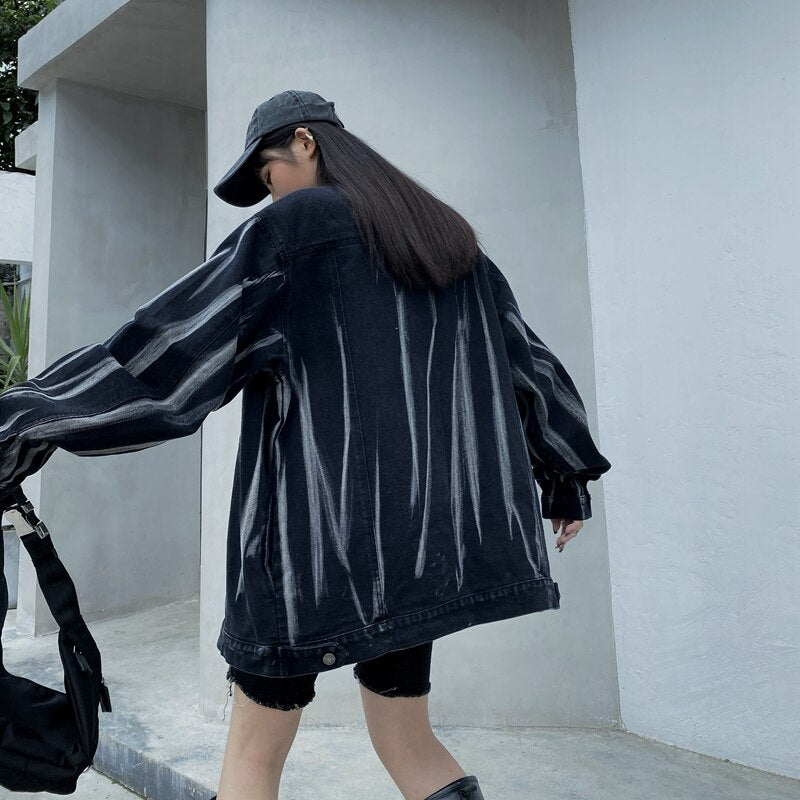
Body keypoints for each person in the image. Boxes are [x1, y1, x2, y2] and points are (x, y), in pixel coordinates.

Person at [0, 90, 611, 800]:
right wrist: (564, 475)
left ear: (304, 142)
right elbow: (527, 367)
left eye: (267, 175)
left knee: (255, 755)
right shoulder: (447, 240)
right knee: (406, 736)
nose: (270, 194)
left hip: (310, 553)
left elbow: (162, 360)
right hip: (423, 551)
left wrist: (21, 421)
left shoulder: (298, 229)